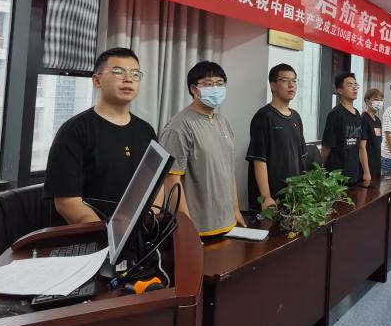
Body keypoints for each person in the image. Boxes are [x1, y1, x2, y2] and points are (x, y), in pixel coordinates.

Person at [45, 47, 158, 223]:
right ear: (97, 80)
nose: (128, 79)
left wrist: (151, 222)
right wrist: (109, 235)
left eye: (135, 74)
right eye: (118, 72)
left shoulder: (146, 130)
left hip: (139, 234)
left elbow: (155, 186)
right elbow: (67, 203)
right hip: (92, 235)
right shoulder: (73, 131)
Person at [160, 61, 244, 237]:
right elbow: (171, 181)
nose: (215, 89)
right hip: (199, 229)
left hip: (229, 223)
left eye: (220, 84)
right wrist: (187, 229)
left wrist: (236, 210)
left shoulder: (223, 121)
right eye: (208, 84)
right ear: (193, 89)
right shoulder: (179, 126)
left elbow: (229, 171)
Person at [246, 64, 307, 212]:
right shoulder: (264, 116)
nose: (291, 85)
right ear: (273, 85)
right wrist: (266, 197)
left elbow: (301, 158)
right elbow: (259, 160)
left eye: (294, 80)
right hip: (271, 200)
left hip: (292, 198)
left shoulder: (296, 117)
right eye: (285, 80)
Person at [321, 72, 370, 186]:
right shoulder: (335, 114)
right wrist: (320, 169)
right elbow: (327, 146)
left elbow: (360, 146)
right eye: (350, 85)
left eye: (355, 85)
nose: (354, 88)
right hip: (337, 176)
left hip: (354, 173)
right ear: (340, 90)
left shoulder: (357, 113)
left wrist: (366, 172)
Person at [361, 88, 384, 180]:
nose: (379, 102)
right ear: (367, 101)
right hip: (367, 166)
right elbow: (362, 147)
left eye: (381, 100)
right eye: (376, 99)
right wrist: (366, 172)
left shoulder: (378, 120)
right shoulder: (363, 119)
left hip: (377, 164)